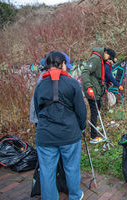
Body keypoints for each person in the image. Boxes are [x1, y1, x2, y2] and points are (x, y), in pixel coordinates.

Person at [33, 51, 87, 200]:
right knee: (72, 167)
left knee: (47, 171)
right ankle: (75, 195)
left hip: (45, 136)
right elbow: (81, 111)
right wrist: (82, 127)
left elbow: (38, 111)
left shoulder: (40, 85)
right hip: (69, 134)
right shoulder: (72, 83)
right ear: (63, 64)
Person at [81, 47, 122, 144]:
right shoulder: (95, 59)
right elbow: (85, 72)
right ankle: (93, 137)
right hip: (92, 90)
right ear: (106, 53)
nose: (108, 61)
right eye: (109, 58)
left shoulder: (101, 60)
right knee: (94, 111)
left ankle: (94, 126)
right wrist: (88, 87)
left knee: (98, 106)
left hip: (97, 90)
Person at [30, 52, 73, 125]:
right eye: (65, 66)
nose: (66, 69)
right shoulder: (46, 76)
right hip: (42, 117)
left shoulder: (48, 74)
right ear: (60, 64)